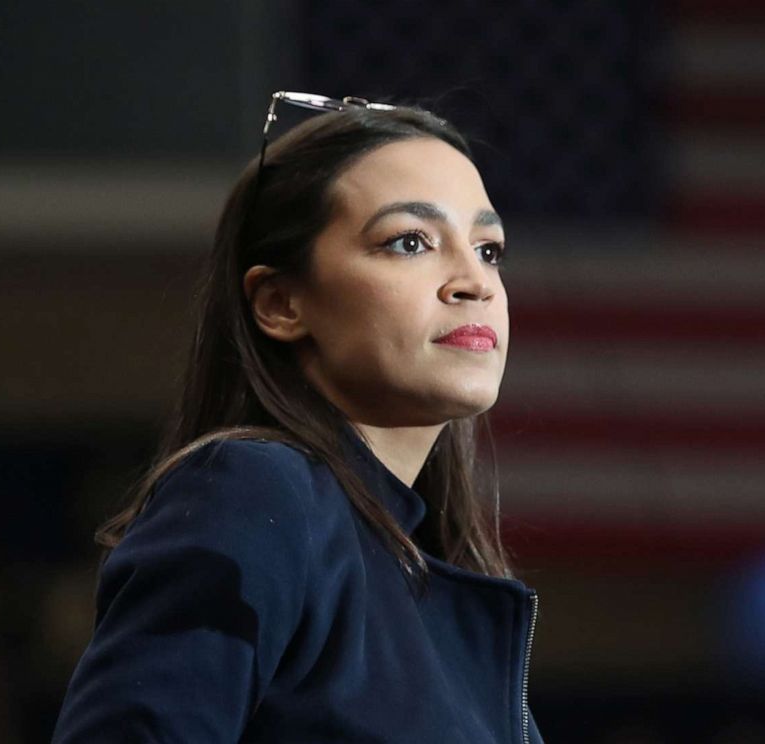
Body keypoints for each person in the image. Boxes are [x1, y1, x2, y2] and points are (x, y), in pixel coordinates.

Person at [51, 92, 543, 743]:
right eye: (410, 241)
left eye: (489, 250)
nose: (474, 282)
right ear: (282, 303)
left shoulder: (420, 578)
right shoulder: (254, 489)